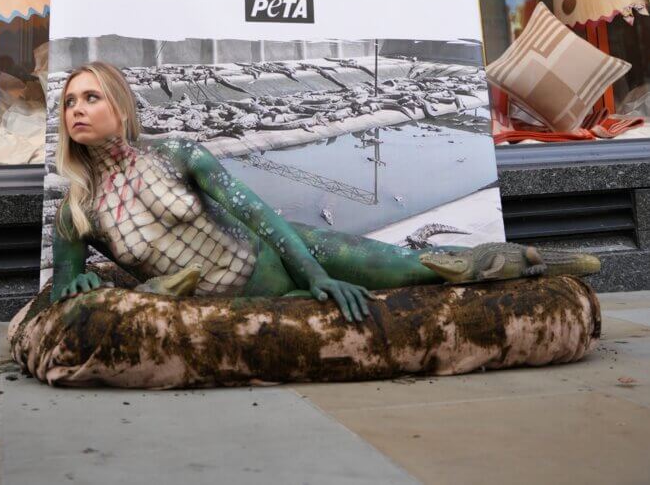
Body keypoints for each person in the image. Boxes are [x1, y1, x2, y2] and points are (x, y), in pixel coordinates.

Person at [50, 63, 582, 323]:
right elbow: (63, 297)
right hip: (234, 300)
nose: (77, 109)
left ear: (121, 106)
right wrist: (79, 287)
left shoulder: (177, 154)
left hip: (290, 254)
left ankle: (530, 262)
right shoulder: (76, 212)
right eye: (70, 101)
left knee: (415, 266)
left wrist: (316, 275)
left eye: (91, 97)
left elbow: (259, 216)